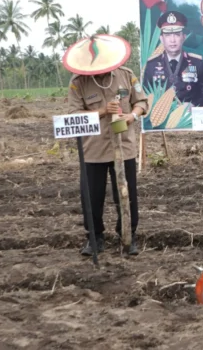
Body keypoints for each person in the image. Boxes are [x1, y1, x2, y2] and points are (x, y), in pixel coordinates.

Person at [64, 34, 149, 256]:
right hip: (93, 150)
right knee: (91, 196)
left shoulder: (126, 76)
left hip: (125, 145)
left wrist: (132, 116)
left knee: (127, 193)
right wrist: (102, 112)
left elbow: (141, 101)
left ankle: (128, 236)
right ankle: (94, 238)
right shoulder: (77, 83)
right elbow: (73, 114)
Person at [141, 10, 203, 112]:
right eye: (168, 35)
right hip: (161, 122)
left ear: (183, 37)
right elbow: (144, 95)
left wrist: (194, 105)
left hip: (189, 121)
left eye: (176, 34)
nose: (172, 40)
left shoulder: (196, 62)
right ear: (161, 39)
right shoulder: (152, 64)